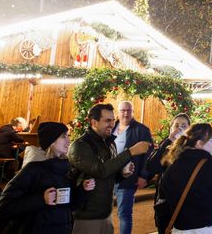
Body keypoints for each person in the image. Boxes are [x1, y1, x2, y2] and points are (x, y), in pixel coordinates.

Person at [0, 122, 96, 234]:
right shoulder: (33, 170)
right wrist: (42, 199)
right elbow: (5, 206)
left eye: (68, 136)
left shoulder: (65, 170)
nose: (68, 141)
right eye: (63, 137)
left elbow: (70, 206)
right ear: (51, 142)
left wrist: (83, 190)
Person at [68, 103, 151, 234]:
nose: (112, 124)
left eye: (112, 120)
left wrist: (122, 174)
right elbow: (100, 170)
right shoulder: (80, 146)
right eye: (107, 120)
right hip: (87, 216)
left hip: (106, 213)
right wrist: (130, 152)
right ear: (94, 122)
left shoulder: (108, 143)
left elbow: (108, 174)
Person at [159, 123, 212, 233]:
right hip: (209, 228)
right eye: (211, 140)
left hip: (181, 229)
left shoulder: (172, 166)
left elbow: (166, 199)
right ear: (199, 143)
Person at [142, 113, 190, 230]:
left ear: (189, 129)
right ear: (171, 128)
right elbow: (152, 168)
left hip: (187, 204)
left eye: (184, 126)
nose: (179, 128)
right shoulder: (165, 146)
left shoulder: (193, 149)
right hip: (165, 204)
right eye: (176, 125)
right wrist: (168, 141)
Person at [112, 100, 154, 234]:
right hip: (109, 175)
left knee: (124, 214)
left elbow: (148, 156)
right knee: (105, 212)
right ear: (118, 113)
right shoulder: (111, 128)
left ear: (133, 112)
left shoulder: (142, 130)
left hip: (128, 178)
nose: (125, 113)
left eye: (129, 110)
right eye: (123, 110)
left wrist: (143, 175)